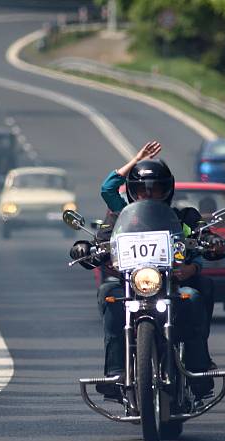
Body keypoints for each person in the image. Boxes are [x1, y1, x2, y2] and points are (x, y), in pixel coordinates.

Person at [70, 144, 215, 398]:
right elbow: (107, 192)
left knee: (193, 296)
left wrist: (200, 257)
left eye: (155, 189)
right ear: (132, 192)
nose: (148, 195)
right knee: (108, 294)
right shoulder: (119, 217)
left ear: (167, 190)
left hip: (172, 285)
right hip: (132, 284)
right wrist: (88, 250)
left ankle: (199, 368)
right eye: (141, 190)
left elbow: (204, 241)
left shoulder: (183, 217)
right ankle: (116, 372)